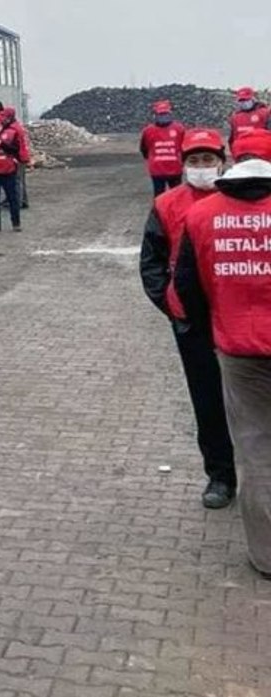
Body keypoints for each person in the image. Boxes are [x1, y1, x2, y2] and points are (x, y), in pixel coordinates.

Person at [174, 129, 271, 582]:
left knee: (255, 449)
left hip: (237, 348)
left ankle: (267, 556)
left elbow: (186, 289)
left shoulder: (202, 215)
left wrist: (203, 328)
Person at [139, 128, 237, 510]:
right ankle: (220, 474)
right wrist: (172, 304)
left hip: (238, 318)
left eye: (208, 160)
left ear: (222, 162)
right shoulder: (166, 205)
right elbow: (152, 263)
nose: (201, 168)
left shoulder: (239, 200)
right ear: (183, 166)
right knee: (208, 399)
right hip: (192, 323)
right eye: (194, 162)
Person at [140, 100, 187, 196]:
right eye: (161, 114)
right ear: (155, 115)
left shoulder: (179, 129)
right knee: (159, 195)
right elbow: (144, 148)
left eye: (166, 113)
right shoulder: (148, 131)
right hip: (158, 170)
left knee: (177, 196)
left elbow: (185, 147)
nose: (164, 117)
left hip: (175, 169)